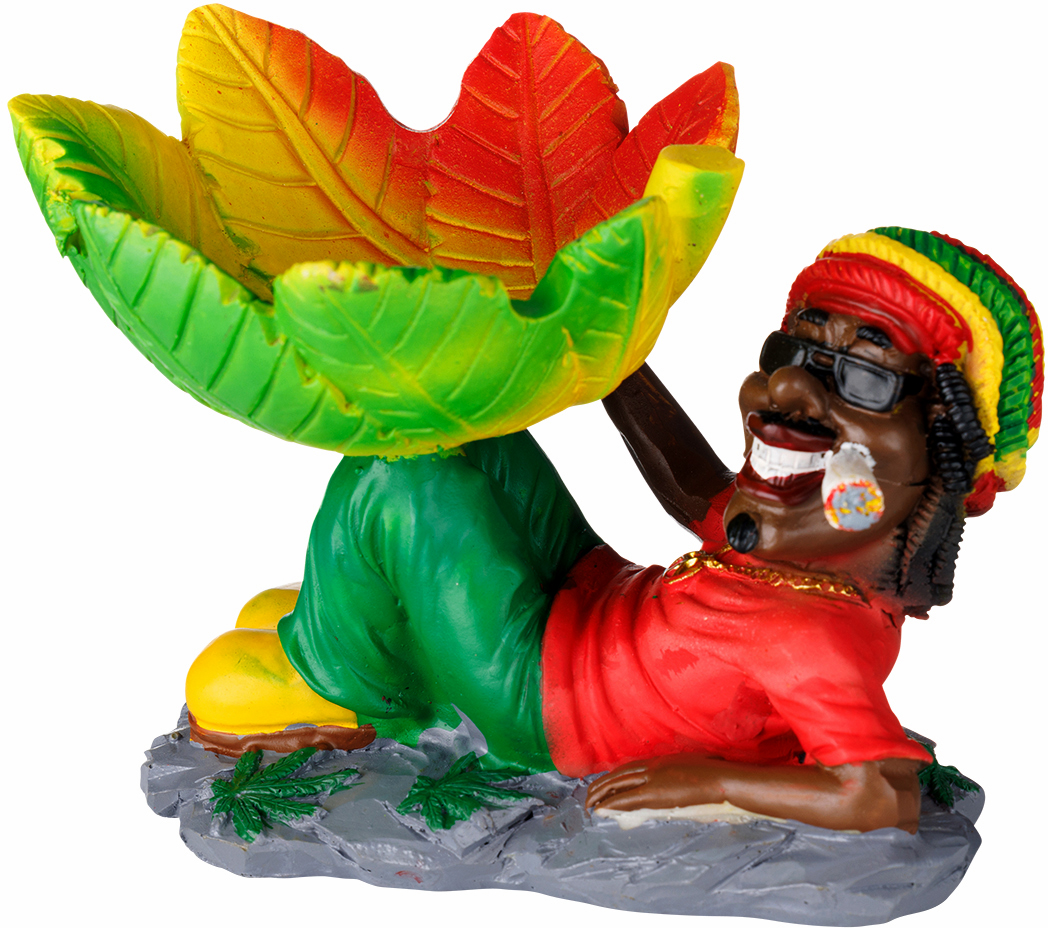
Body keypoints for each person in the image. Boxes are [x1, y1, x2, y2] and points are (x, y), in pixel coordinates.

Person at [185, 226, 1041, 832]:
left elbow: (878, 796)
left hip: (542, 699)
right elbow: (692, 487)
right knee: (470, 436)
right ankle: (362, 629)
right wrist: (613, 358)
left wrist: (707, 783)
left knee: (404, 477)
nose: (785, 393)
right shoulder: (790, 539)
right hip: (593, 595)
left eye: (861, 377)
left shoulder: (814, 637)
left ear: (943, 465)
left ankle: (337, 679)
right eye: (794, 355)